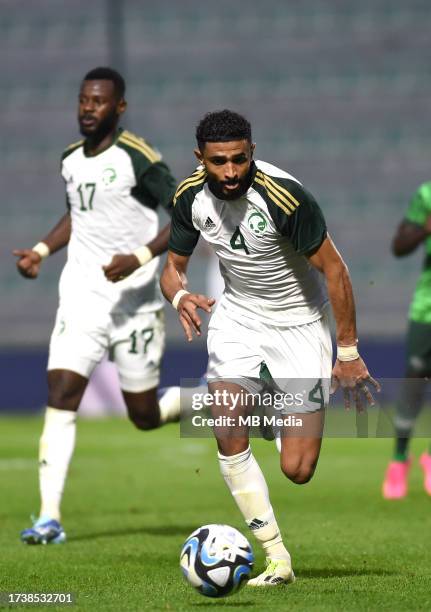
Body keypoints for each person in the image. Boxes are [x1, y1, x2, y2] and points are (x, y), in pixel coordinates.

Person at [160, 109, 379, 586]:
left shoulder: (284, 197)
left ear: (252, 152)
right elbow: (172, 266)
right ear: (201, 158)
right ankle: (277, 558)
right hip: (238, 317)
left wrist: (347, 352)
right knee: (226, 424)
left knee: (297, 470)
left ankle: (246, 403)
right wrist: (179, 295)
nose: (232, 172)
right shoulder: (189, 197)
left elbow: (336, 270)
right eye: (219, 162)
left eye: (240, 159)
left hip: (301, 324)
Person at [14, 67, 181, 545]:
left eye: (99, 102)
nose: (89, 109)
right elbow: (77, 213)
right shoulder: (70, 158)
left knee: (144, 416)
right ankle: (49, 517)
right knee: (62, 392)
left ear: (119, 108)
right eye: (84, 100)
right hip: (82, 297)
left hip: (135, 302)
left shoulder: (137, 158)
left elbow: (186, 211)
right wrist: (42, 252)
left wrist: (140, 257)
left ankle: (209, 397)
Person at [382, 183, 431, 499]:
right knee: (414, 380)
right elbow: (399, 246)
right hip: (427, 309)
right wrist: (426, 228)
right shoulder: (426, 194)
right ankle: (400, 459)